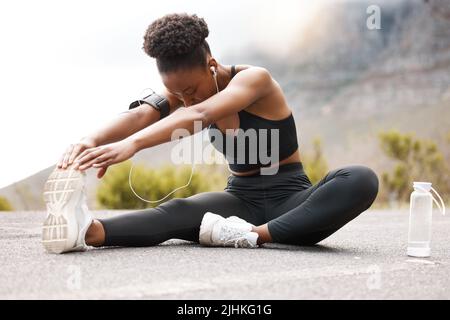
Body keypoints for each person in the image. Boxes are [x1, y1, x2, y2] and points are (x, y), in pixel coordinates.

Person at [42, 13, 379, 254]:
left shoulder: (254, 80)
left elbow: (201, 113)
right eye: (178, 94)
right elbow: (140, 115)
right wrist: (90, 141)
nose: (186, 99)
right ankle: (85, 232)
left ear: (212, 65)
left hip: (292, 202)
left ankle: (251, 236)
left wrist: (132, 146)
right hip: (239, 200)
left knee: (360, 179)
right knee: (175, 212)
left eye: (191, 89)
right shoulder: (188, 94)